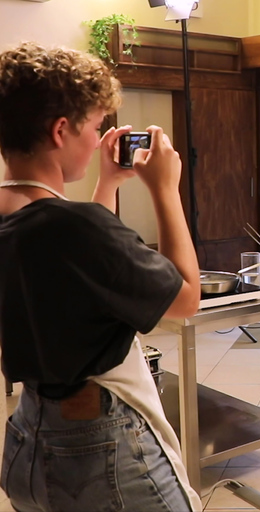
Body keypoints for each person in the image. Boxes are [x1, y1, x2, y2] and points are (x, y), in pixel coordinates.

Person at [0, 42, 202, 511]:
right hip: (100, 453)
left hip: (28, 436)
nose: (97, 141)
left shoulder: (20, 214)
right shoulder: (73, 226)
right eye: (94, 127)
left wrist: (107, 183)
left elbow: (72, 262)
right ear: (60, 130)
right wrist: (165, 190)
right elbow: (186, 298)